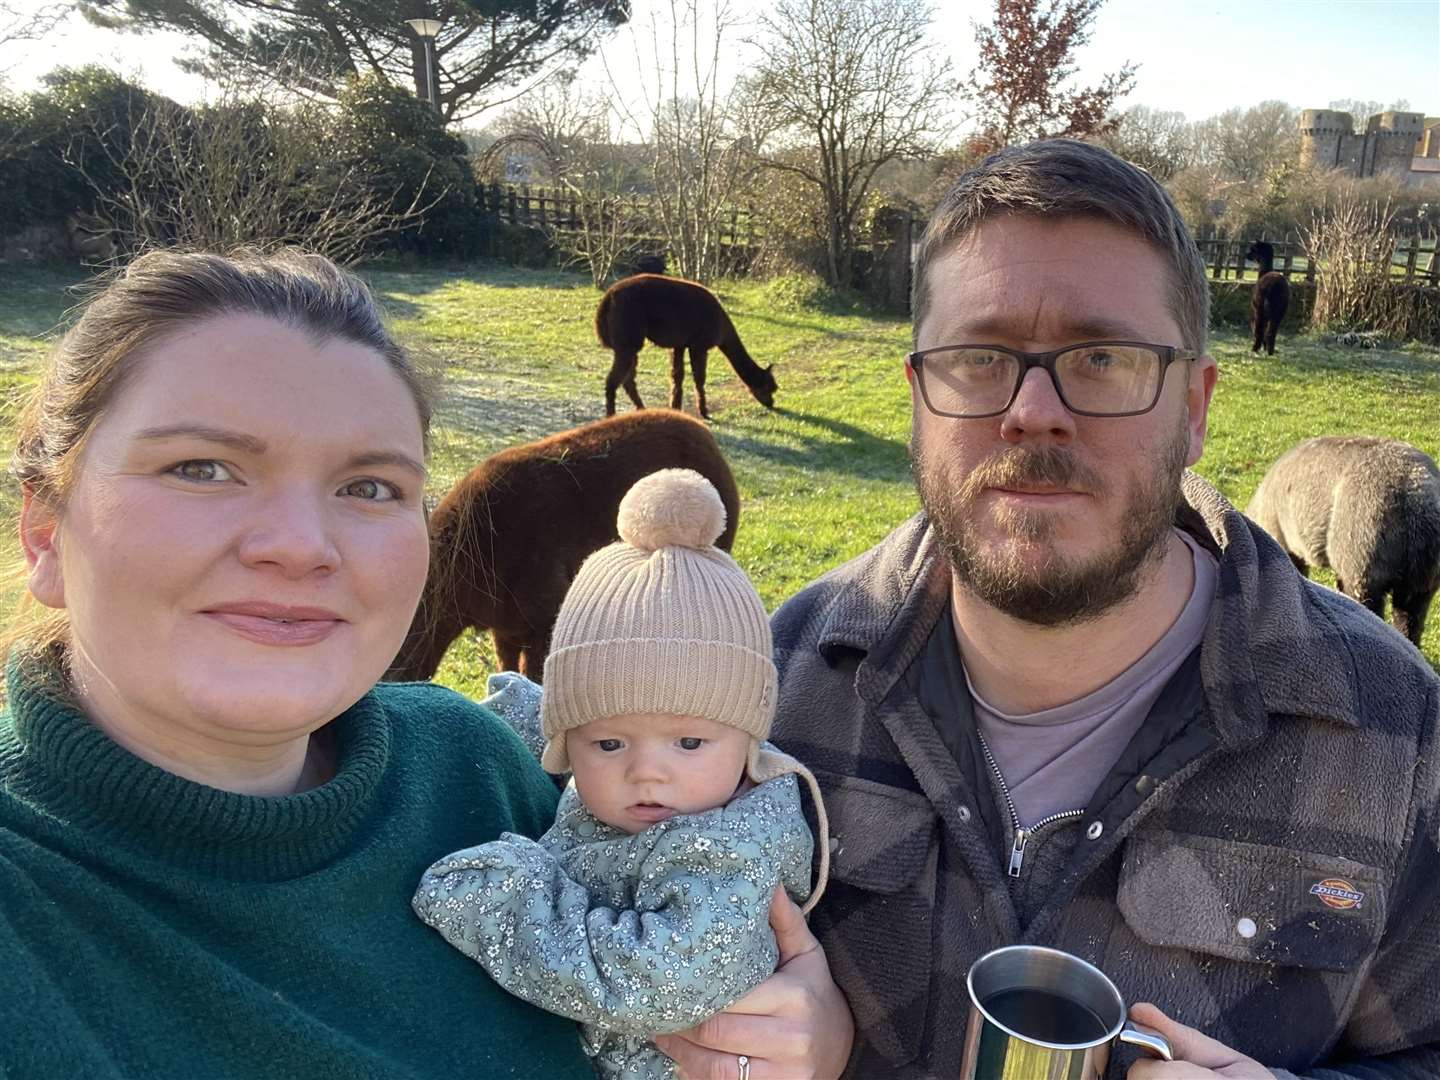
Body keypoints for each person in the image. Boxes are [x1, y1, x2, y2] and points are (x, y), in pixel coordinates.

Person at [0, 250, 852, 1079]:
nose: (300, 546)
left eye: (369, 487)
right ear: (45, 528)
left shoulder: (476, 768)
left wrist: (795, 1037)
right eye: (202, 468)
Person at [770, 139, 1440, 1079]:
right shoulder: (776, 680)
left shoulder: (1393, 725)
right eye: (978, 358)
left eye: (1102, 358)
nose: (1033, 412)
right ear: (919, 399)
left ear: (1197, 408)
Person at [413, 468, 832, 1080]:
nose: (646, 772)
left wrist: (510, 900)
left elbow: (654, 980)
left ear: (749, 737)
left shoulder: (730, 848)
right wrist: (525, 718)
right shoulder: (671, 783)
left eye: (689, 741)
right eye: (608, 742)